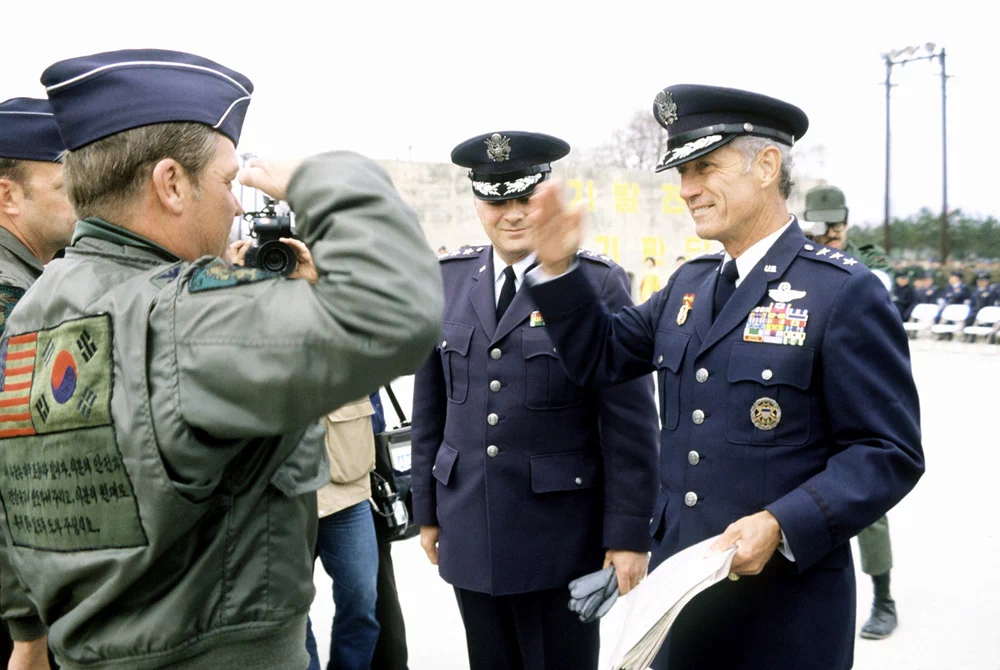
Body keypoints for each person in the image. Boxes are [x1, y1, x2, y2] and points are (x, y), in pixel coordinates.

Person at [0, 48, 442, 670]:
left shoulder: (36, 308)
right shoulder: (184, 314)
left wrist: (26, 629)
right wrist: (326, 179)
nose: (237, 204)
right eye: (227, 180)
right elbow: (398, 313)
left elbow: (16, 488)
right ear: (171, 183)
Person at [525, 84, 924, 669]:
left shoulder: (841, 291)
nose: (687, 189)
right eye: (682, 172)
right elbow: (600, 356)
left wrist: (782, 523)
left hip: (785, 612)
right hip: (682, 599)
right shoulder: (690, 285)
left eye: (705, 167)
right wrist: (558, 269)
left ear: (767, 166)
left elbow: (887, 451)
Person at [411, 131, 659, 670]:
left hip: (559, 537)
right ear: (478, 203)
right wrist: (425, 512)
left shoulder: (596, 283)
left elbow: (630, 423)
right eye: (497, 201)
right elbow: (431, 410)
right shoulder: (447, 281)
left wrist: (628, 534)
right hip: (469, 525)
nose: (512, 214)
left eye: (525, 198)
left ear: (545, 197)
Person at [802, 183, 902, 638]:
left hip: (856, 393)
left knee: (866, 503)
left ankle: (884, 598)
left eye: (837, 225)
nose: (833, 234)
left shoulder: (869, 260)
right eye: (824, 228)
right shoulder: (795, 254)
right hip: (805, 394)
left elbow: (874, 290)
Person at [0, 95, 76, 670]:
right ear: (9, 196)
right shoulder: (11, 298)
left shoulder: (33, 280)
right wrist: (27, 623)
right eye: (63, 185)